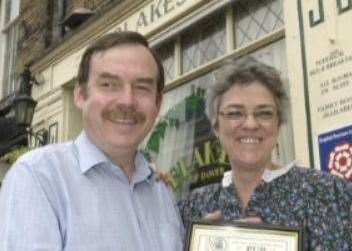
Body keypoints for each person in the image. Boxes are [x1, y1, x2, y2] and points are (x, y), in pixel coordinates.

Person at [0, 32, 184, 251]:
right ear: (80, 95)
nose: (127, 101)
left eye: (142, 87)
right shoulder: (38, 177)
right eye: (109, 85)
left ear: (158, 103)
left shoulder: (161, 192)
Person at [178, 57, 352, 250]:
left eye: (264, 113)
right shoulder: (194, 206)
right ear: (216, 127)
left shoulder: (330, 193)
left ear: (279, 125)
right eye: (235, 113)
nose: (251, 124)